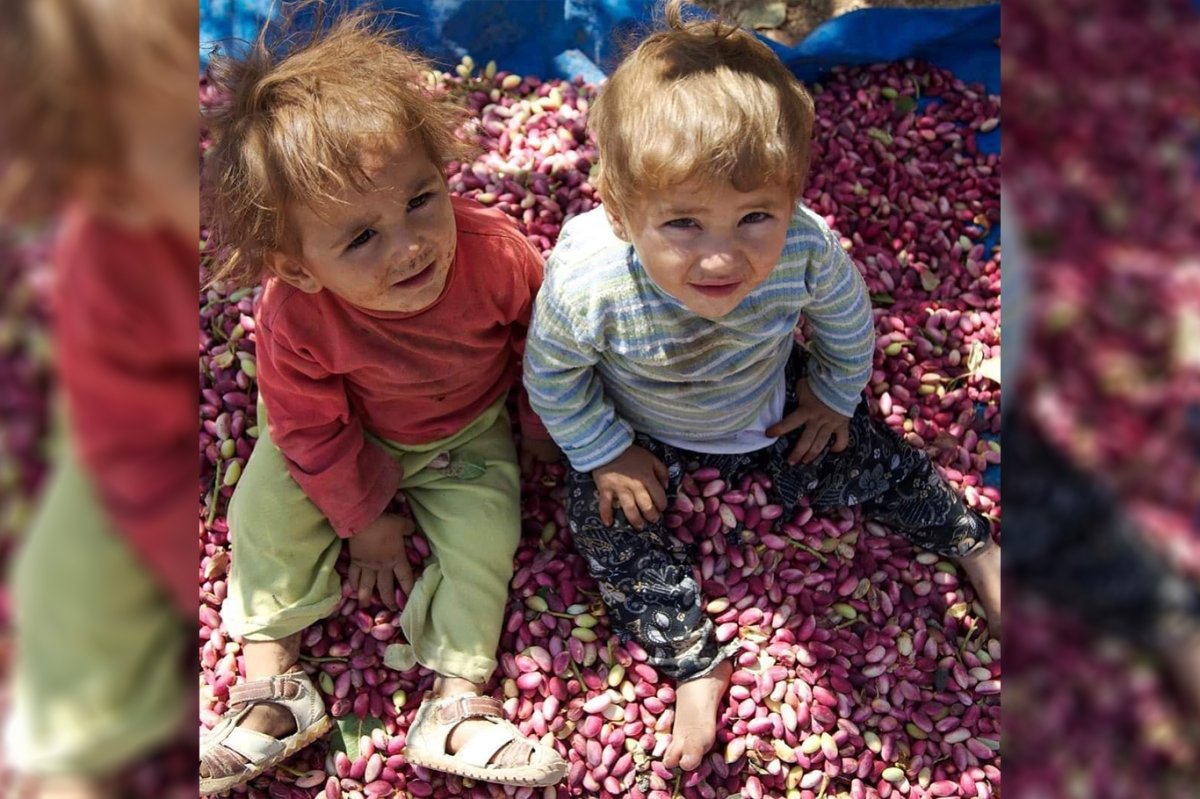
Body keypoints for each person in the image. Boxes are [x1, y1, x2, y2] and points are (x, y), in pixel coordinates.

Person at [523, 0, 1002, 772]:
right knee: (604, 523)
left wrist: (834, 398)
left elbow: (848, 326)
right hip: (647, 430)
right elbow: (552, 375)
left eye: (755, 216)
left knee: (878, 453)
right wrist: (606, 449)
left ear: (794, 196)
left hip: (770, 408)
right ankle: (693, 659)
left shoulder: (806, 249)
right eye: (683, 225)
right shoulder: (587, 282)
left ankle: (972, 543)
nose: (723, 258)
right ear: (618, 211)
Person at [198, 7, 566, 794]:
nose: (410, 245)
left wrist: (537, 432)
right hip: (341, 434)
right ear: (296, 266)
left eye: (421, 199)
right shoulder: (294, 312)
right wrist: (362, 518)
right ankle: (273, 686)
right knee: (261, 513)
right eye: (360, 239)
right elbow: (306, 423)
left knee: (487, 535)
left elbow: (544, 348)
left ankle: (461, 700)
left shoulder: (497, 255)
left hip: (463, 430)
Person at [0, 1, 198, 798]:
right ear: (120, 191)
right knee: (71, 573)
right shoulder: (110, 270)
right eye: (197, 155)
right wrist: (189, 572)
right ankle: (72, 756)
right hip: (154, 440)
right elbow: (134, 455)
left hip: (306, 398)